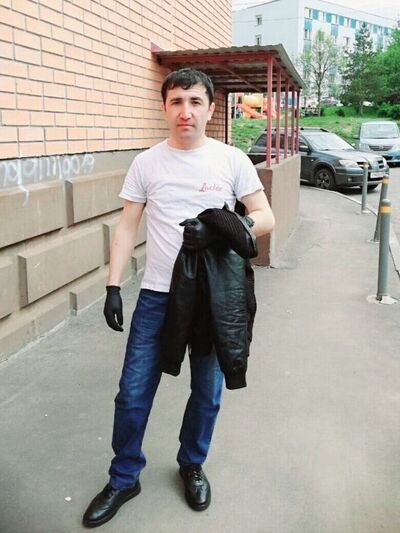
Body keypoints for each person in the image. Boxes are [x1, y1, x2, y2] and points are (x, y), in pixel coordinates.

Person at [82, 68, 275, 528]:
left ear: (211, 108)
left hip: (213, 300)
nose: (185, 111)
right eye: (176, 102)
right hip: (157, 297)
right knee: (132, 393)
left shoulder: (231, 160)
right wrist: (113, 286)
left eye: (194, 101)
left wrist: (223, 228)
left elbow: (265, 216)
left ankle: (192, 463)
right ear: (164, 108)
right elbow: (127, 225)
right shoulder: (147, 163)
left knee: (207, 391)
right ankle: (124, 477)